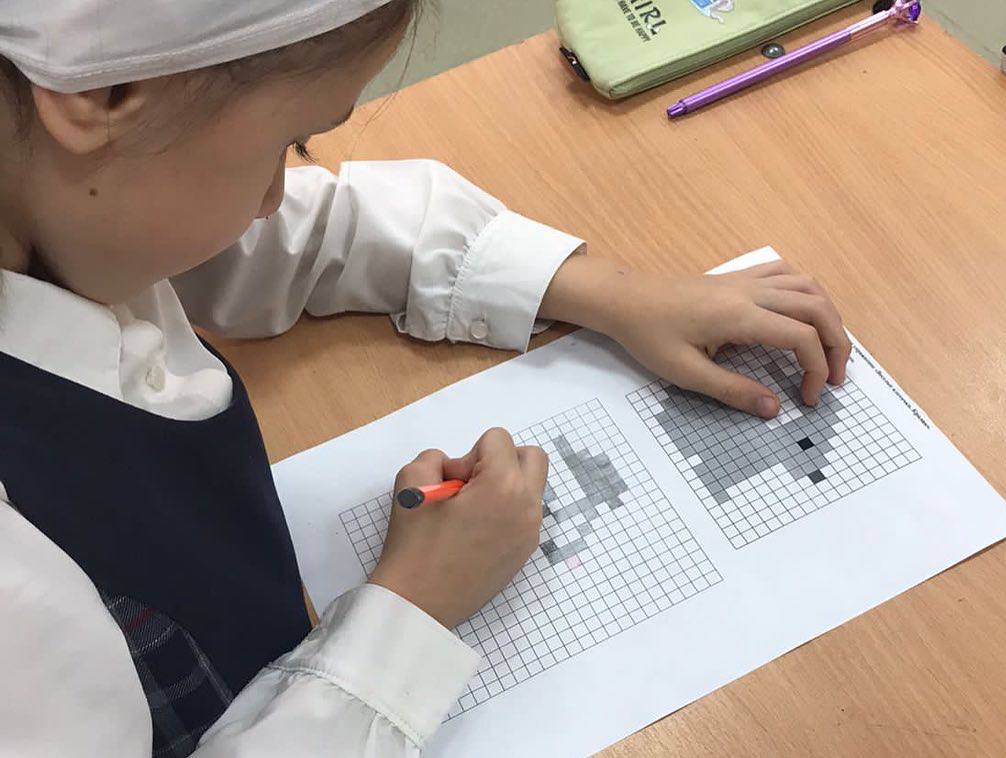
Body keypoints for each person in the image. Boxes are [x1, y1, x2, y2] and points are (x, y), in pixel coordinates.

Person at [0, 0, 851, 755]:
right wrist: (407, 612)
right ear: (102, 92)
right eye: (288, 143)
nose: (272, 198)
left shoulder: (69, 184)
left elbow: (277, 232)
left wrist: (608, 292)